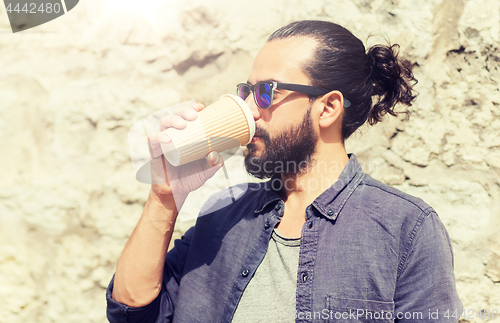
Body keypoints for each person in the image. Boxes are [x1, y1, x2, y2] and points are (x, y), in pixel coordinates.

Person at [106, 20, 463, 322]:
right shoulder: (221, 216)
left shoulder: (406, 229)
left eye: (266, 92)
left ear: (328, 109)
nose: (249, 108)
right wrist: (164, 195)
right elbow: (130, 310)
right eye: (246, 90)